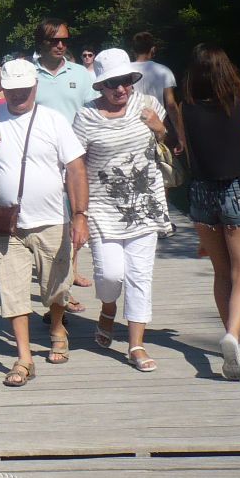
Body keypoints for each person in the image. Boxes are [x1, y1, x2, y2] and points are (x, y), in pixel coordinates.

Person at [0, 58, 89, 386]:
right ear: (2, 88)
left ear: (35, 87)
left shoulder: (53, 120)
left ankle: (57, 324)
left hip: (51, 219)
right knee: (12, 289)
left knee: (56, 285)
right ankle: (24, 357)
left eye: (24, 89)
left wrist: (80, 216)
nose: (18, 95)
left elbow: (75, 168)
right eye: (12, 89)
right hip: (6, 222)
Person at [71, 48, 168, 373]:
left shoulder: (148, 106)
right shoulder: (85, 117)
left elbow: (169, 144)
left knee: (140, 275)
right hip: (102, 208)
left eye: (126, 81)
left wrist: (159, 128)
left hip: (145, 205)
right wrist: (78, 213)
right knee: (110, 274)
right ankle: (109, 308)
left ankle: (135, 345)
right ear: (100, 85)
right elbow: (77, 165)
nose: (121, 89)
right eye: (113, 83)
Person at [181, 44, 240, 381]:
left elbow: (188, 156)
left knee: (221, 271)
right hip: (237, 189)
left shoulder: (185, 109)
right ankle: (232, 334)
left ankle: (236, 337)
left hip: (201, 193)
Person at [32, 18, 96, 300]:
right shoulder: (29, 74)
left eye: (65, 40)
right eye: (54, 40)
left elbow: (91, 112)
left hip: (75, 158)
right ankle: (59, 279)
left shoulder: (81, 74)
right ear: (41, 43)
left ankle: (68, 276)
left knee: (75, 215)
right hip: (40, 159)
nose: (60, 45)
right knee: (51, 220)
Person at [132, 32, 182, 148]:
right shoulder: (164, 71)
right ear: (153, 49)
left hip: (133, 126)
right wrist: (180, 134)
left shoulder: (125, 71)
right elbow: (170, 104)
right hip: (159, 123)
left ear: (133, 50)